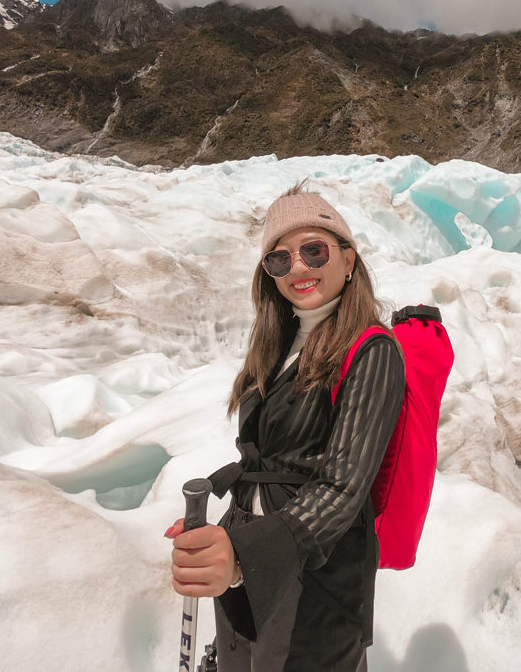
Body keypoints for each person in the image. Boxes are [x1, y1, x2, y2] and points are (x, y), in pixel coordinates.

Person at [166, 185, 406, 671]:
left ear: (348, 258)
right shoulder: (279, 344)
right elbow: (270, 458)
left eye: (313, 250)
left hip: (315, 573)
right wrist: (221, 507)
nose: (297, 267)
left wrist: (243, 556)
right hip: (249, 551)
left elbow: (342, 487)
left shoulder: (373, 351)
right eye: (279, 260)